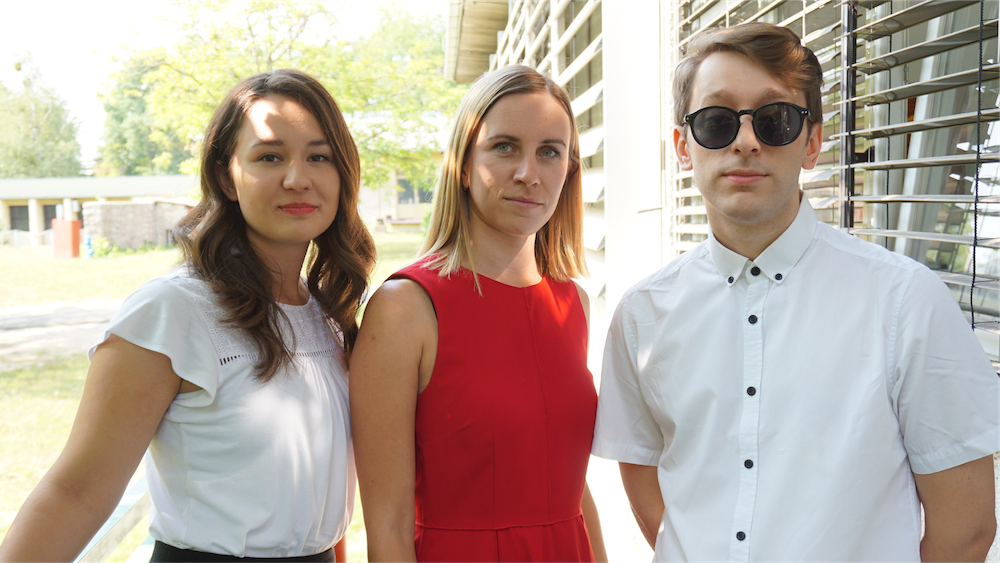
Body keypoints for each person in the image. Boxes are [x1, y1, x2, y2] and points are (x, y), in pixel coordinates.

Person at [592, 22, 999, 563]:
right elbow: (647, 484)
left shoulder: (907, 302)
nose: (745, 141)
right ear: (683, 147)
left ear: (811, 143)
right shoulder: (642, 315)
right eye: (716, 120)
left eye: (775, 119)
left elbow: (965, 528)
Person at [0, 69, 375, 562]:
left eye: (318, 157)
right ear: (226, 177)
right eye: (269, 156)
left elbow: (315, 495)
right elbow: (76, 493)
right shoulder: (173, 310)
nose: (297, 179)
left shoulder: (328, 314)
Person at [350, 64, 608, 563]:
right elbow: (388, 528)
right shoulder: (405, 308)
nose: (528, 173)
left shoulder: (571, 303)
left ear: (569, 171)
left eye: (549, 152)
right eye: (504, 147)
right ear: (464, 167)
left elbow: (572, 490)